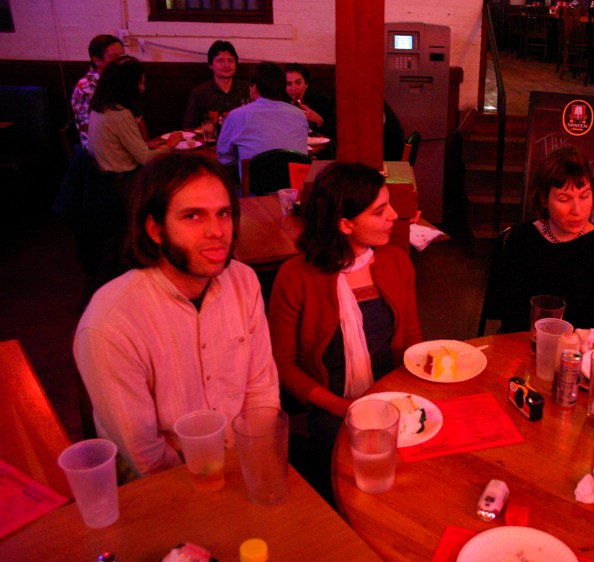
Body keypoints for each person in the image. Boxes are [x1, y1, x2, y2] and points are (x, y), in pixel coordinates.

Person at [74, 152, 280, 477]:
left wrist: (252, 458)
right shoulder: (110, 323)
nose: (216, 231)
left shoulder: (244, 281)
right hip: (163, 483)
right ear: (156, 230)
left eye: (223, 213)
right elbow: (146, 455)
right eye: (193, 216)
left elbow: (261, 391)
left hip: (242, 456)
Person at [268, 162, 422, 499]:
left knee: (419, 475)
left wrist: (411, 395)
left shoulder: (395, 261)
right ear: (345, 223)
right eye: (380, 210)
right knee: (355, 488)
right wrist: (343, 407)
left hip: (395, 397)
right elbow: (283, 365)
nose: (394, 215)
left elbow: (412, 338)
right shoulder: (296, 277)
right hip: (333, 406)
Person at [498, 145, 594, 333]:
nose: (577, 210)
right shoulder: (522, 239)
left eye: (584, 196)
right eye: (564, 199)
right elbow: (511, 316)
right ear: (543, 200)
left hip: (580, 352)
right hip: (525, 344)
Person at [88, 56, 182, 175]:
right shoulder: (120, 114)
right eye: (141, 83)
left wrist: (145, 145)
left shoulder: (99, 107)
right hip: (121, 181)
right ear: (126, 86)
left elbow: (115, 146)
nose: (143, 88)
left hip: (101, 177)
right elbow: (146, 159)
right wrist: (169, 145)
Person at [216, 61, 309, 178]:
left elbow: (224, 158)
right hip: (295, 189)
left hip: (254, 192)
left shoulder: (237, 115)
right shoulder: (299, 114)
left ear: (254, 88)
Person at [182, 40, 251, 130]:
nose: (226, 65)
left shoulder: (248, 89)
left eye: (230, 60)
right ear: (211, 65)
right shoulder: (200, 93)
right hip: (212, 142)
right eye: (220, 61)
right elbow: (189, 129)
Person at [70, 34, 124, 149]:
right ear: (97, 60)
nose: (120, 61)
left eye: (122, 55)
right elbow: (105, 124)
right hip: (97, 148)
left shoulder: (112, 78)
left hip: (114, 140)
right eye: (114, 56)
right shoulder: (88, 86)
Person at [284, 63, 335, 139]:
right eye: (289, 84)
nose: (293, 88)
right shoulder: (280, 103)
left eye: (298, 82)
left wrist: (319, 121)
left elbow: (334, 133)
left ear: (306, 84)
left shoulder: (322, 101)